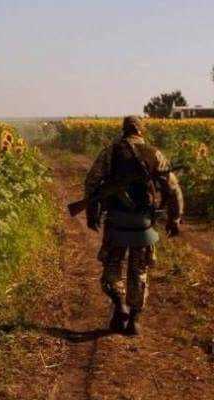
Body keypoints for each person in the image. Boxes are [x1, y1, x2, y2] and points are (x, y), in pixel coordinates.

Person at [84, 116, 183, 335]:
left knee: (112, 267)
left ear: (123, 131)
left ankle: (120, 305)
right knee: (139, 270)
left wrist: (92, 213)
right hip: (143, 224)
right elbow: (173, 189)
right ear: (141, 131)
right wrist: (174, 219)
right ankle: (135, 320)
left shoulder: (110, 153)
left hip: (116, 222)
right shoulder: (153, 153)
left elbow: (91, 181)